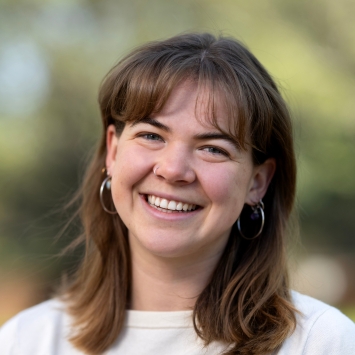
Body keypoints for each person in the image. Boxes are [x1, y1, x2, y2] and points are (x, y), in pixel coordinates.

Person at [0, 33, 354, 355]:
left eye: (213, 148)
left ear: (257, 182)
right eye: (152, 136)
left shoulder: (319, 343)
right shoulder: (28, 340)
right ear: (113, 151)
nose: (172, 170)